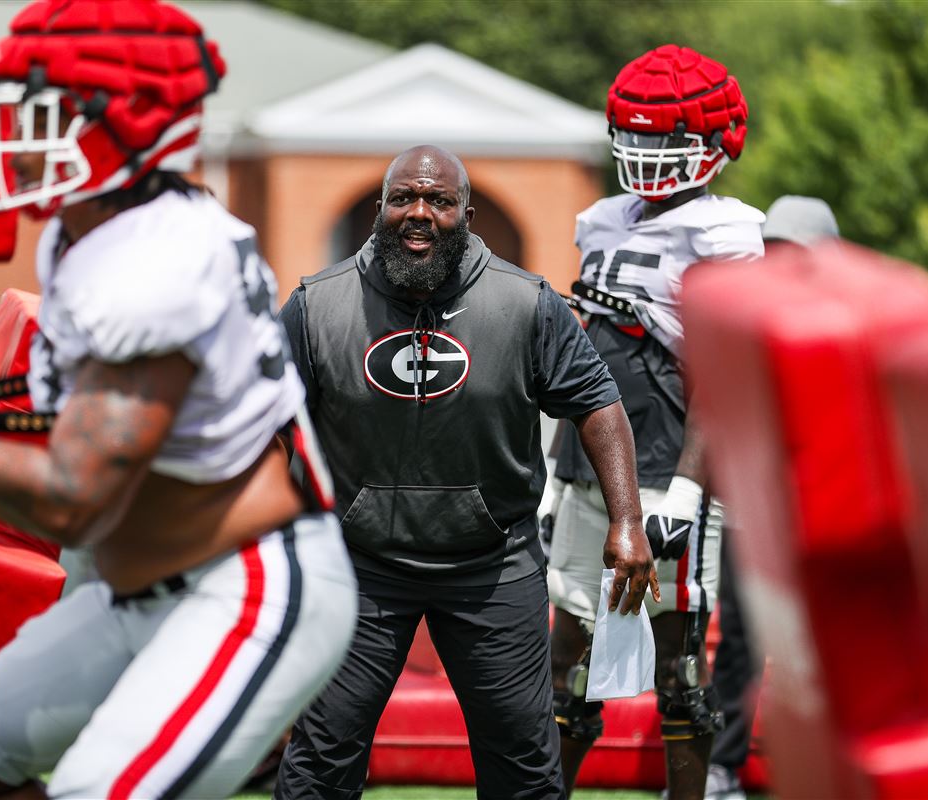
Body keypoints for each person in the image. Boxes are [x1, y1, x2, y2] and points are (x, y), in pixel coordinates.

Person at [0, 1, 356, 797]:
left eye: (45, 114)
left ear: (127, 124)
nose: (18, 137)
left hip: (245, 585)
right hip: (138, 588)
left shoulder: (155, 264)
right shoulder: (93, 234)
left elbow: (73, 505)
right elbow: (69, 418)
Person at [272, 144, 658, 800]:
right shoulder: (317, 305)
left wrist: (627, 520)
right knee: (319, 760)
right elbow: (263, 421)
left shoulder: (526, 303)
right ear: (380, 209)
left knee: (524, 767)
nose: (419, 214)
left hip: (492, 565)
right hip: (359, 567)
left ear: (468, 214)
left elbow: (598, 404)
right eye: (403, 199)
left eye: (440, 201)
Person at [546, 44, 764, 800]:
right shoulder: (601, 221)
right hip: (587, 471)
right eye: (635, 139)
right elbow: (578, 363)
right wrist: (553, 470)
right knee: (565, 661)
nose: (646, 157)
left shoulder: (724, 234)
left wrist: (684, 490)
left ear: (710, 144)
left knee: (677, 667)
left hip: (668, 465)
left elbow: (726, 377)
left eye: (665, 141)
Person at [704, 194, 840, 800]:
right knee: (739, 638)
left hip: (824, 505)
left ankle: (829, 768)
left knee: (828, 640)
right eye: (775, 250)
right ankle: (722, 767)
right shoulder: (748, 325)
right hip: (752, 509)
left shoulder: (846, 322)